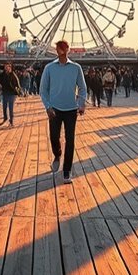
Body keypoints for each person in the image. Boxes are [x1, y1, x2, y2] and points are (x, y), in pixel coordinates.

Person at [40, 40, 87, 184]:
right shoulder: (49, 68)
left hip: (71, 109)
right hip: (54, 109)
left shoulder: (76, 68)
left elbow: (83, 87)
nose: (60, 50)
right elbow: (43, 89)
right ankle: (57, 154)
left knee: (70, 140)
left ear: (68, 49)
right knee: (54, 137)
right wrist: (48, 107)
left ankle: (67, 171)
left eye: (62, 48)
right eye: (58, 48)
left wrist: (81, 104)